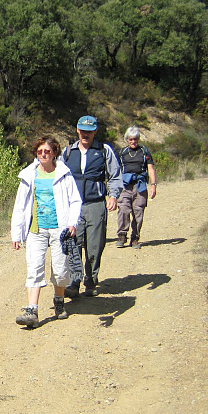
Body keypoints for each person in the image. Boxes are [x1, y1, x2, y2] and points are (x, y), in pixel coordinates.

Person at [11, 136, 82, 327]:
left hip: (60, 229)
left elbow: (75, 200)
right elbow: (20, 206)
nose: (43, 154)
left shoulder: (64, 174)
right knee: (34, 268)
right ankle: (31, 309)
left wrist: (72, 223)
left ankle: (59, 302)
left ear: (54, 153)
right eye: (40, 151)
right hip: (36, 229)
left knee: (60, 271)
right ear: (36, 152)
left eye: (47, 151)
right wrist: (16, 233)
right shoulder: (28, 175)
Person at [59, 115, 122, 298]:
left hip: (96, 203)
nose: (85, 134)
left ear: (95, 131)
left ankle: (91, 281)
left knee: (95, 245)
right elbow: (59, 178)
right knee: (73, 244)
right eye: (82, 130)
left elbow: (114, 175)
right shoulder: (68, 152)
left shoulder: (104, 150)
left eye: (89, 130)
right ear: (77, 130)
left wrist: (113, 196)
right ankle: (73, 282)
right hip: (73, 206)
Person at [116, 126, 157, 249]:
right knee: (123, 209)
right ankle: (122, 235)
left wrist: (153, 185)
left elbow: (150, 168)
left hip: (140, 186)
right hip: (125, 186)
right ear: (127, 140)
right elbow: (115, 170)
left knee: (138, 212)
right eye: (130, 139)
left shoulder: (144, 152)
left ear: (138, 139)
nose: (133, 142)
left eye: (135, 139)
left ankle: (135, 238)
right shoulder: (122, 152)